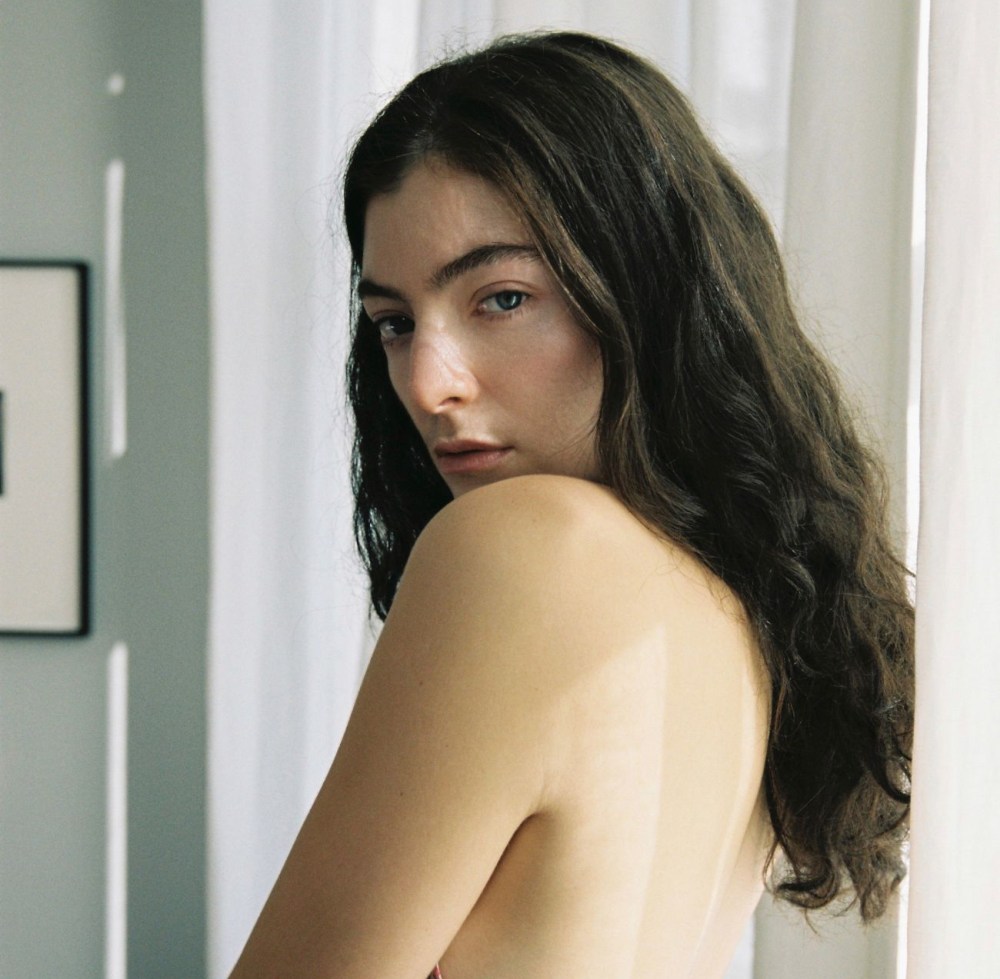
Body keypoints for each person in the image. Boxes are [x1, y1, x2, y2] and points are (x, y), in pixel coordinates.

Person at [229, 31, 914, 979]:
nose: (427, 382)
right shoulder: (742, 607)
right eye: (394, 323)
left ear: (645, 288)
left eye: (502, 299)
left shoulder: (524, 547)